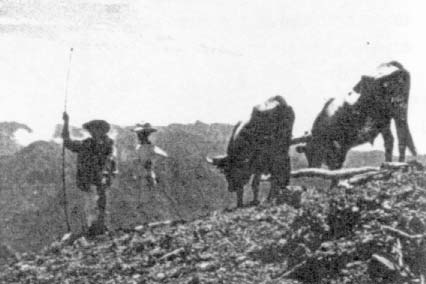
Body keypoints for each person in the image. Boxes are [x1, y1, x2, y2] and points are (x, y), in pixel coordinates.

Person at [62, 112, 116, 237]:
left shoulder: (105, 145)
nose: (93, 132)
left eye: (96, 129)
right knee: (92, 204)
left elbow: (67, 142)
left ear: (102, 131)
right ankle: (95, 229)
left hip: (97, 179)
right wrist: (66, 123)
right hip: (94, 180)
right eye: (92, 129)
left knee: (97, 204)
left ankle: (97, 228)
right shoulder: (90, 144)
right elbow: (67, 142)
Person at [131, 123, 168, 206]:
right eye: (138, 134)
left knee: (148, 196)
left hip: (147, 174)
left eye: (141, 134)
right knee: (141, 196)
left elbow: (164, 156)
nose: (139, 136)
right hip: (139, 174)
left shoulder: (151, 147)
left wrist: (152, 161)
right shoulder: (139, 147)